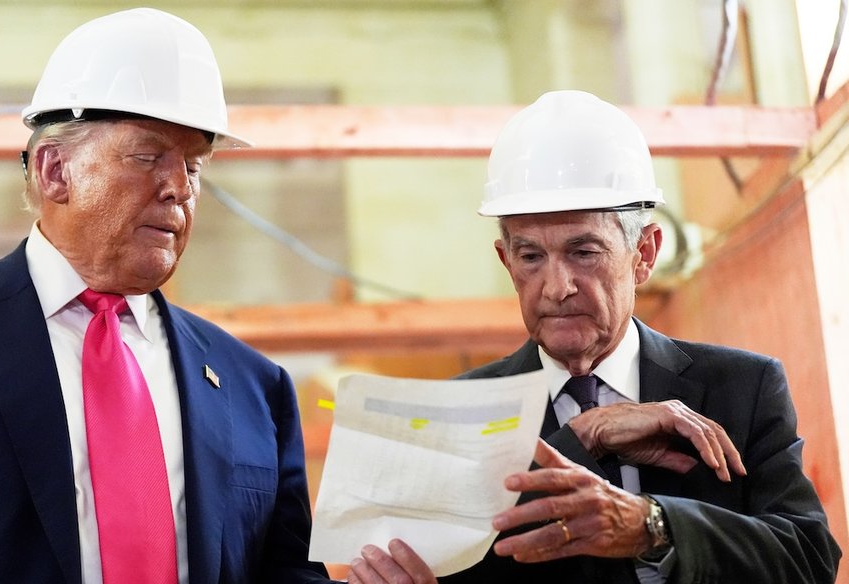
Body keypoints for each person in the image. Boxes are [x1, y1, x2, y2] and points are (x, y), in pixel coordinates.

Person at [0, 9, 337, 583]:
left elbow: (288, 572)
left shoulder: (254, 386)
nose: (180, 188)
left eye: (194, 165)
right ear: (54, 170)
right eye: (148, 157)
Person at [346, 90, 842, 584]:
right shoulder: (455, 413)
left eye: (584, 252)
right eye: (531, 257)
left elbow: (809, 558)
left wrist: (654, 527)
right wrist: (585, 436)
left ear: (644, 253)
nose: (557, 288)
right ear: (506, 261)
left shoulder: (742, 387)